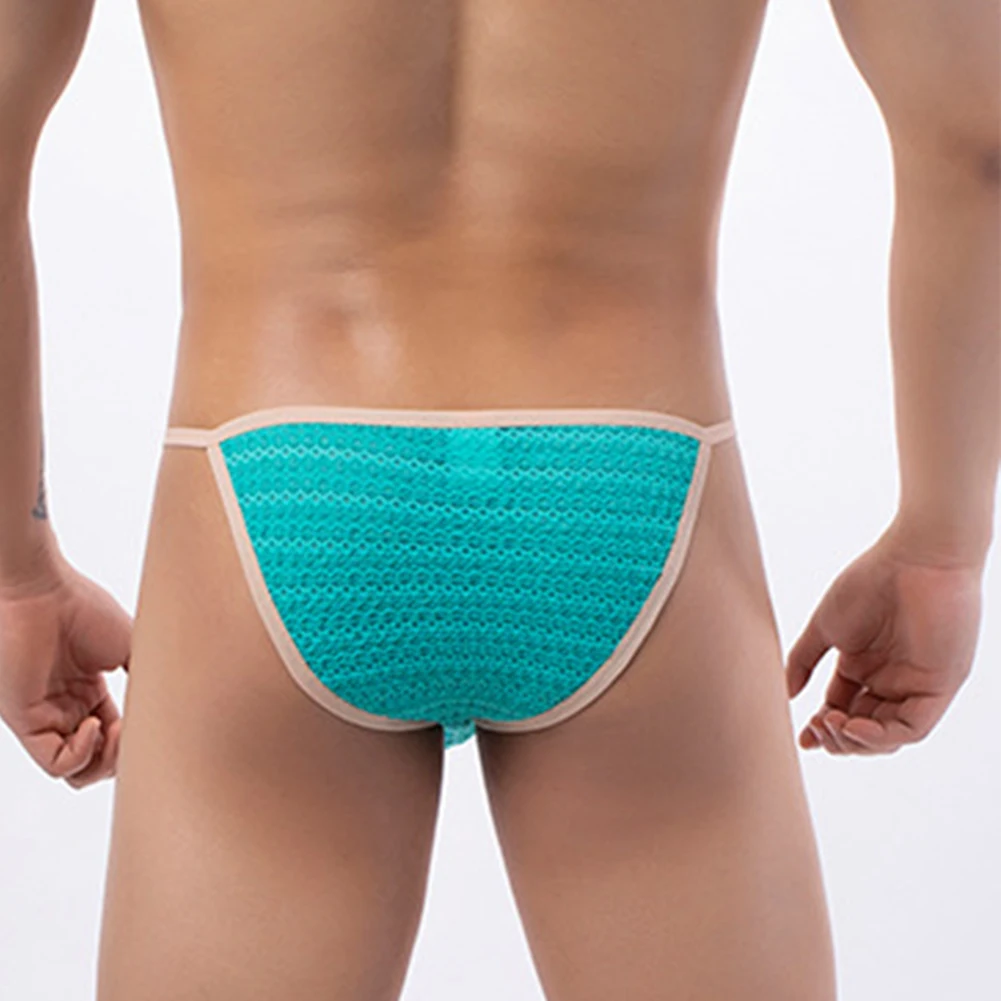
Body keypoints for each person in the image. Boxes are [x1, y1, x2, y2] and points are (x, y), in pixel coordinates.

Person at [0, 0, 996, 997]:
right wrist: (939, 547)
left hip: (275, 474)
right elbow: (975, 136)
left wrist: (17, 573)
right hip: (630, 487)